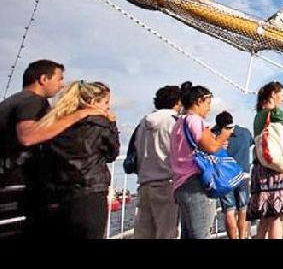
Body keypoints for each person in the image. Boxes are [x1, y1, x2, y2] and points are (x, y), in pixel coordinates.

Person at [0, 60, 104, 238]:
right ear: (43, 79)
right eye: (59, 78)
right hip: (19, 186)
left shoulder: (13, 101)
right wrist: (78, 115)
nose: (61, 84)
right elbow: (28, 137)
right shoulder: (33, 101)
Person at [40, 81, 120, 239]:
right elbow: (112, 153)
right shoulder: (99, 124)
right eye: (105, 103)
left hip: (60, 193)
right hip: (91, 191)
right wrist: (112, 124)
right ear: (92, 102)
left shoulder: (57, 122)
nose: (108, 107)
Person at [170, 81, 233, 239]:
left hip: (181, 185)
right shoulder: (194, 120)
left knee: (188, 234)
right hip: (195, 184)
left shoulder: (179, 123)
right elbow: (211, 147)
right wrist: (224, 134)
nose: (209, 108)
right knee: (201, 234)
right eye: (208, 103)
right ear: (199, 101)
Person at [249, 81, 283, 239]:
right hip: (275, 170)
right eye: (281, 95)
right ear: (272, 95)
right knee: (276, 216)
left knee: (266, 217)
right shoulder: (274, 114)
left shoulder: (258, 117)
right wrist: (277, 111)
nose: (282, 99)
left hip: (261, 167)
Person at [132, 85, 181, 239]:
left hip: (144, 183)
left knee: (144, 232)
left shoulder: (142, 124)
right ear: (177, 102)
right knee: (168, 233)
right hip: (166, 183)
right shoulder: (174, 122)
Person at [212, 111, 253, 239]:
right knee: (243, 209)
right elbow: (251, 143)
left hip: (225, 179)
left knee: (229, 211)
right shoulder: (245, 132)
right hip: (243, 176)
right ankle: (242, 237)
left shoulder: (216, 135)